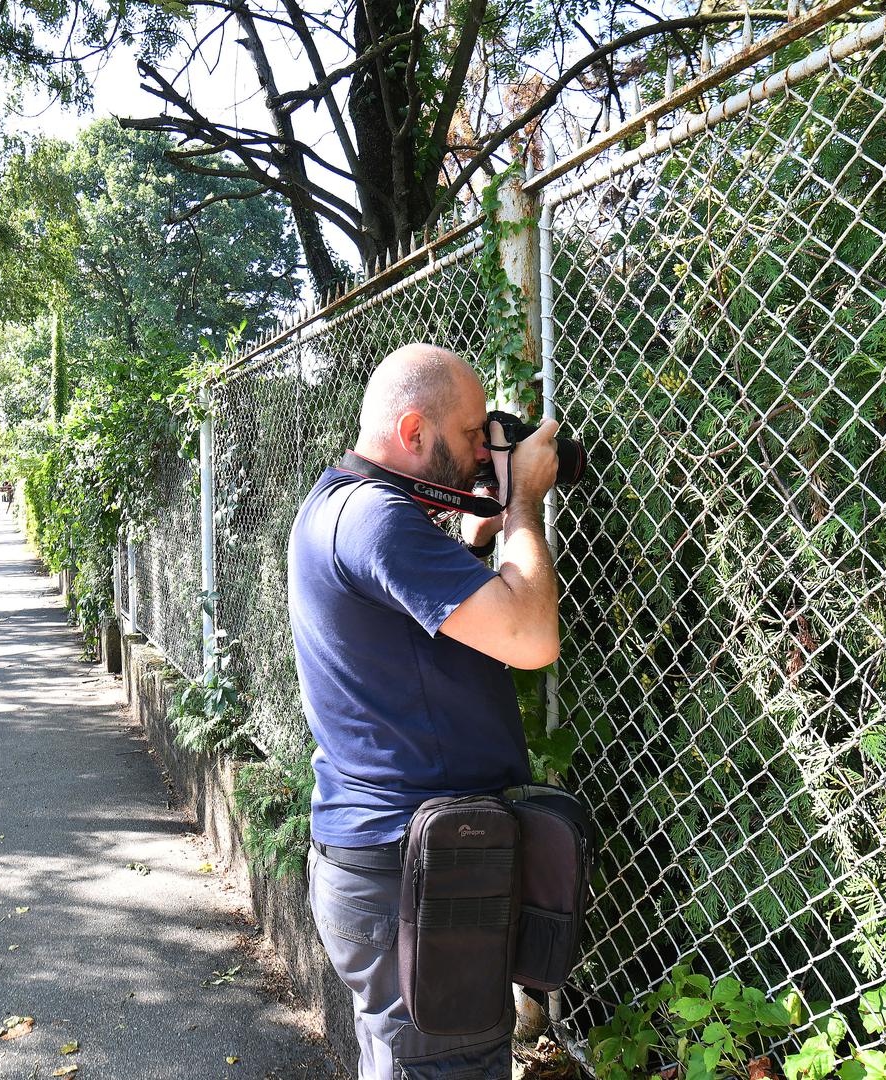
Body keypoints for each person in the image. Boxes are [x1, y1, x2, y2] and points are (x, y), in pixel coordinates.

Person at [288, 343, 562, 1080]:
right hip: (411, 874)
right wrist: (523, 504)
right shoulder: (375, 520)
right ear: (413, 433)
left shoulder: (337, 501)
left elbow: (418, 625)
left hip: (378, 868)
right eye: (474, 435)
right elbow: (531, 637)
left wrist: (479, 533)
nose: (483, 451)